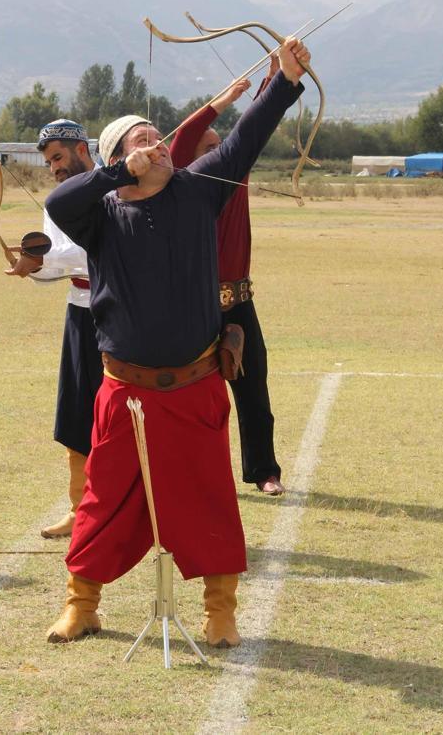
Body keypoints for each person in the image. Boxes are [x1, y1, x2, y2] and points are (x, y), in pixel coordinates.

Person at [43, 37, 309, 648]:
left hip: (193, 389)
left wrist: (285, 81)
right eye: (141, 139)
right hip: (124, 396)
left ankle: (221, 614)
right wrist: (116, 172)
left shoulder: (198, 190)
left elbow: (246, 137)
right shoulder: (100, 211)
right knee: (102, 505)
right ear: (116, 159)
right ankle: (81, 606)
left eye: (158, 134)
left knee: (211, 503)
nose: (156, 142)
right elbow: (59, 201)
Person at [169, 57, 285, 496]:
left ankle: (264, 471)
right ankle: (191, 470)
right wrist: (224, 100)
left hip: (238, 301)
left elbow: (254, 128)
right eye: (210, 146)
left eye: (223, 145)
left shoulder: (234, 176)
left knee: (253, 388)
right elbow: (182, 139)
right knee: (190, 397)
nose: (221, 150)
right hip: (194, 306)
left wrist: (274, 81)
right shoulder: (182, 183)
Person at [6, 119, 102, 540]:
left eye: (59, 158)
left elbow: (92, 253)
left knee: (125, 416)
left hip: (121, 314)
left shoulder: (113, 188)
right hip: (79, 313)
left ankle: (131, 511)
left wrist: (45, 261)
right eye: (48, 163)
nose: (54, 169)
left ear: (83, 149)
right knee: (75, 415)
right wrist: (32, 267)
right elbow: (58, 267)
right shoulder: (56, 201)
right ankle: (80, 510)